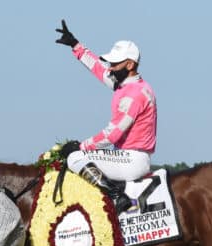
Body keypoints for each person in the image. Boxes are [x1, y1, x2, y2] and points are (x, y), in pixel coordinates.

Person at [55, 19, 157, 214]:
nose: (110, 67)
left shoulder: (134, 94)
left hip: (132, 160)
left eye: (115, 64)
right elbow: (99, 69)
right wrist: (76, 46)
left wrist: (81, 146)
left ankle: (117, 197)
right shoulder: (126, 84)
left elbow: (112, 135)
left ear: (130, 64)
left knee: (75, 158)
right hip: (128, 156)